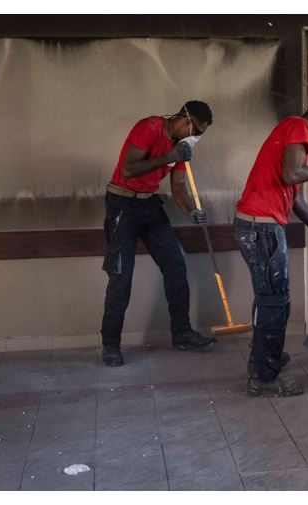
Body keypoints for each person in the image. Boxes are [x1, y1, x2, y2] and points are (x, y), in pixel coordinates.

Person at [233, 103, 308, 397]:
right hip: (262, 228)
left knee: (268, 299)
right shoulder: (298, 125)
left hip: (256, 225)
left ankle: (262, 357)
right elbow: (292, 175)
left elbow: (293, 197)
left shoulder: (288, 132)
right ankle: (264, 377)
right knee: (275, 301)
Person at [100, 101, 217, 367]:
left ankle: (182, 333)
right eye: (196, 131)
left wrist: (191, 213)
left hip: (149, 205)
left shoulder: (181, 149)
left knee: (176, 265)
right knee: (121, 278)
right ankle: (110, 345)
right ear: (184, 119)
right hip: (122, 205)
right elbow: (129, 169)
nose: (196, 138)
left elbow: (178, 188)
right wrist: (170, 157)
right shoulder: (150, 127)